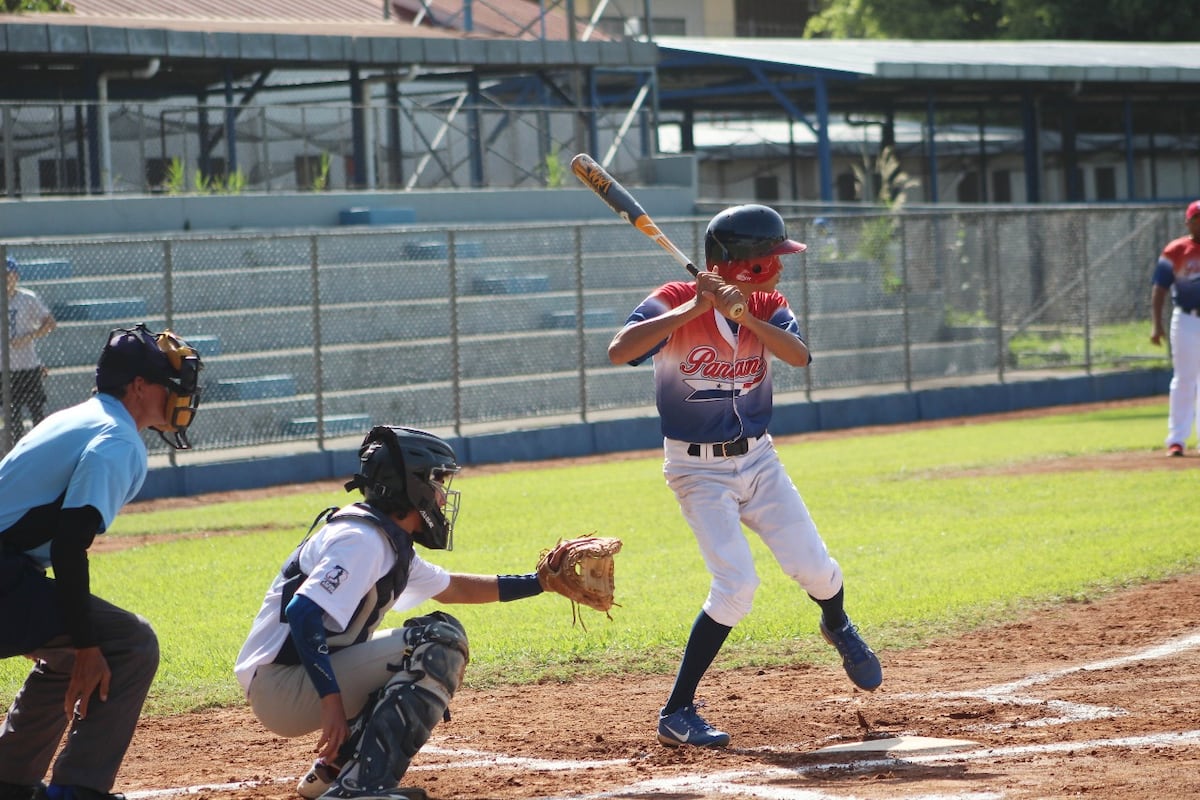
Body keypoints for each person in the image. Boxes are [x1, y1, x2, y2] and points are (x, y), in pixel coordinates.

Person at [607, 204, 882, 749]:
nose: (779, 268)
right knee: (737, 586)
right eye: (770, 259)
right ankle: (677, 710)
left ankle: (838, 625)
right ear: (744, 264)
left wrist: (745, 317)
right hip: (696, 470)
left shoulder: (767, 303)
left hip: (759, 459)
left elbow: (799, 357)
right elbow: (620, 351)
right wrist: (695, 308)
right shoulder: (671, 298)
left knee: (818, 570)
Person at [234, 425, 552, 800]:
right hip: (283, 686)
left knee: (426, 640)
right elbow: (302, 611)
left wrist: (542, 583)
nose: (442, 497)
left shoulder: (382, 538)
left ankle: (336, 769)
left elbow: (454, 588)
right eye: (437, 483)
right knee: (438, 642)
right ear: (411, 486)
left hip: (293, 679)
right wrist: (332, 706)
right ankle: (358, 788)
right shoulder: (361, 541)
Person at [0, 323, 203, 800]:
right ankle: (79, 791)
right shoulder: (116, 439)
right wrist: (86, 643)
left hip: (9, 572)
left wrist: (49, 625)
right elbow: (70, 545)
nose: (179, 395)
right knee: (129, 643)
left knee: (72, 646)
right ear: (138, 387)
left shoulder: (78, 417)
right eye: (168, 385)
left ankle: (8, 780)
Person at [1150, 199, 1200, 457]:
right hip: (1186, 320)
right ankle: (1177, 439)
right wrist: (1156, 324)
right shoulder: (1176, 250)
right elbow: (1159, 289)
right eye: (1198, 218)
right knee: (1184, 379)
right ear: (1188, 222)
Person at [3, 257, 57, 439]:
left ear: (15, 276)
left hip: (27, 364)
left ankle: (40, 446)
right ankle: (16, 450)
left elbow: (49, 322)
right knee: (12, 414)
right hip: (4, 367)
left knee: (36, 410)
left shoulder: (27, 298)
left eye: (7, 275)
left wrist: (29, 337)